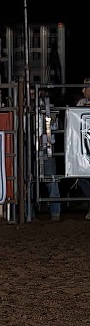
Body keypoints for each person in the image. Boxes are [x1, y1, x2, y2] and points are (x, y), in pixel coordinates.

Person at [74, 77, 90, 220]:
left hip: (86, 145)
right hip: (85, 146)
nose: (83, 90)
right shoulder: (81, 103)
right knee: (81, 176)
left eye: (85, 87)